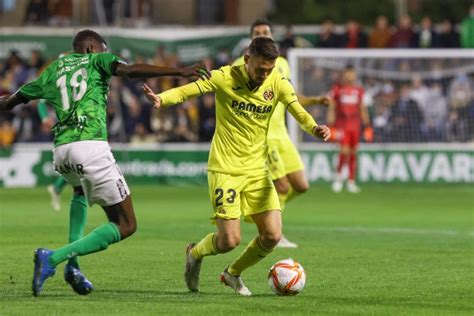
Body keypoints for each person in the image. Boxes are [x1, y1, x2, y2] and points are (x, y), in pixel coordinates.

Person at [0, 29, 209, 297]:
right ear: (90, 49)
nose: (106, 55)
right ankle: (52, 258)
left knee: (78, 191)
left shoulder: (53, 70)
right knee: (126, 225)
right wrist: (178, 72)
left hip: (61, 151)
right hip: (90, 147)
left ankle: (72, 268)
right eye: (102, 49)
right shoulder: (97, 60)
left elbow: (9, 102)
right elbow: (130, 70)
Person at [142, 37, 331, 296]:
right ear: (246, 60)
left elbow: (296, 109)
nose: (264, 75)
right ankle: (195, 252)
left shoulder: (276, 81)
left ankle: (232, 274)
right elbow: (190, 90)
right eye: (260, 69)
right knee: (229, 240)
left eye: (269, 69)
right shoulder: (225, 76)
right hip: (225, 169)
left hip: (257, 171)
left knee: (273, 235)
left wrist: (314, 128)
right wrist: (162, 99)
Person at [233, 19, 330, 248]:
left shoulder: (282, 64)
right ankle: (274, 231)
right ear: (250, 38)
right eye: (257, 33)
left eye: (265, 32)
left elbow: (290, 95)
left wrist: (316, 100)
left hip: (282, 134)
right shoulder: (241, 64)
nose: (262, 35)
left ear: (272, 35)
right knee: (283, 187)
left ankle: (259, 216)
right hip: (264, 135)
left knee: (301, 185)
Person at [328, 67, 372, 193]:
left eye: (352, 74)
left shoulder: (359, 91)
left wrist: (367, 125)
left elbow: (362, 109)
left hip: (355, 126)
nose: (350, 77)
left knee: (353, 152)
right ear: (344, 75)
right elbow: (332, 107)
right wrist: (330, 125)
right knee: (344, 151)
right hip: (342, 125)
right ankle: (338, 178)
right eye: (348, 74)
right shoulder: (337, 90)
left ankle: (351, 181)